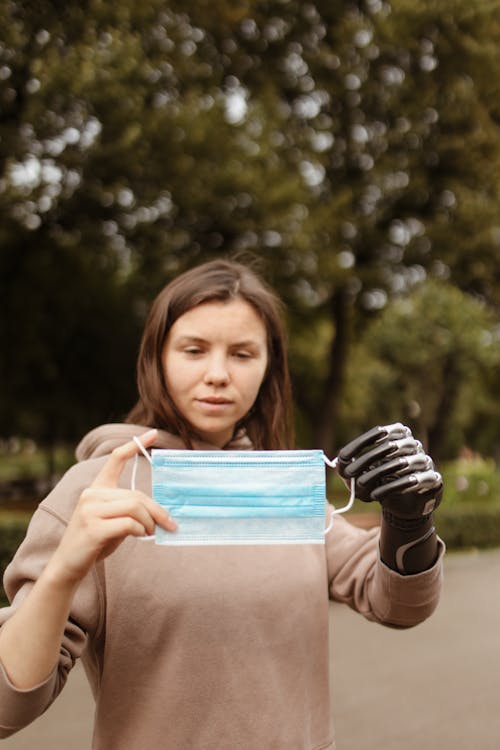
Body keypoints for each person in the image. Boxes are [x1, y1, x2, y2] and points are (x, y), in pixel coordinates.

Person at [0, 258, 444, 749]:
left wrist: (410, 523)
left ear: (268, 367)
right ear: (157, 358)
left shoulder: (279, 488)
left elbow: (398, 604)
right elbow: (7, 706)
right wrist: (62, 571)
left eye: (242, 354)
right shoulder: (97, 492)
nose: (217, 374)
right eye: (193, 350)